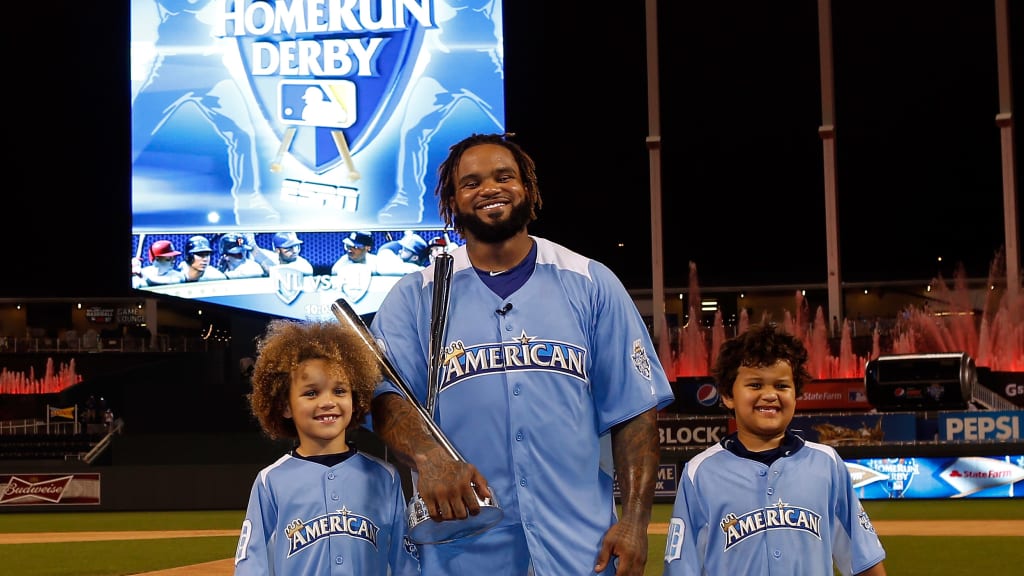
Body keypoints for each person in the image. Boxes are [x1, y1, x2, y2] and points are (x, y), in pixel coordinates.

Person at [367, 133, 674, 575]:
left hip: (580, 546)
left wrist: (635, 521)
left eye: (503, 176)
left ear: (527, 188)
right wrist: (429, 457)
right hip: (462, 549)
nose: (489, 188)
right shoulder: (416, 295)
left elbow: (635, 412)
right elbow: (383, 397)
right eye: (471, 183)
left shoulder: (590, 281)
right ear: (452, 201)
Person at [663, 322, 887, 576]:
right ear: (727, 395)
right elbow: (682, 567)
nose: (770, 395)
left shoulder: (826, 464)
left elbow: (864, 561)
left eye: (781, 386)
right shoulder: (700, 472)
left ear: (796, 393)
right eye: (755, 385)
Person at [234, 319, 420, 575]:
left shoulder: (384, 477)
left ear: (356, 400)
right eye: (311, 393)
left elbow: (404, 560)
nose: (328, 402)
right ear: (285, 406)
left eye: (340, 391)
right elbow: (251, 563)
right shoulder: (271, 481)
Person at [131, 0, 278, 226]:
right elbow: (181, 7)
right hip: (173, 68)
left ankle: (249, 202)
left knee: (242, 132)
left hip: (213, 67)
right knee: (133, 132)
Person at [377, 0, 504, 223]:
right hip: (441, 64)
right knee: (412, 130)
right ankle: (408, 201)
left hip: (481, 61)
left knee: (511, 135)